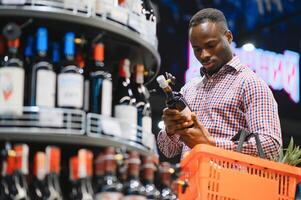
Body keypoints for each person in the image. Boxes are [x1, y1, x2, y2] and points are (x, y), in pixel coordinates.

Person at [157, 8, 282, 160]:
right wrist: (170, 130)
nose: (204, 55)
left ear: (228, 37)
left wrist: (212, 145)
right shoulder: (189, 89)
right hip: (190, 180)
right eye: (197, 49)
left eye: (210, 45)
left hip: (230, 182)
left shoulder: (250, 83)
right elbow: (169, 150)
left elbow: (271, 145)